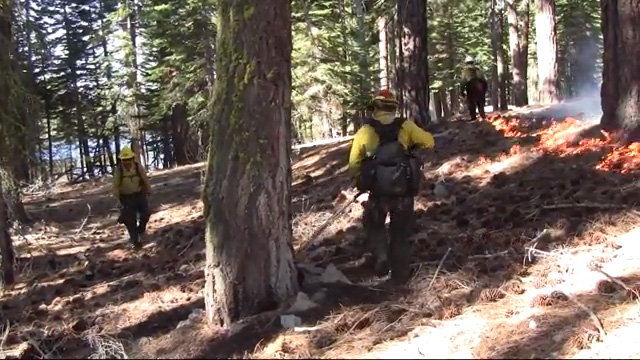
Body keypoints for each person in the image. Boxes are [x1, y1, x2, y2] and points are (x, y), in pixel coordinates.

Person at [348, 89, 435, 284]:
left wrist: (357, 181)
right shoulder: (406, 126)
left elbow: (354, 163)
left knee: (373, 224)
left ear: (375, 108)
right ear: (394, 107)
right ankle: (401, 278)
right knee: (401, 232)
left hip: (378, 193)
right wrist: (411, 147)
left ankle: (380, 255)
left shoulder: (365, 131)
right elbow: (429, 141)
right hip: (403, 192)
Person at [113, 146, 152, 249]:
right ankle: (135, 241)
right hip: (126, 198)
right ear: (121, 160)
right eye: (124, 160)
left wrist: (149, 190)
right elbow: (115, 186)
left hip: (139, 194)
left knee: (146, 213)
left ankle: (141, 230)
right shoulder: (119, 170)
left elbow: (145, 179)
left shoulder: (138, 167)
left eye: (129, 159)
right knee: (130, 221)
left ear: (132, 158)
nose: (127, 162)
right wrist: (117, 201)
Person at [460, 56, 488, 120]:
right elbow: (484, 80)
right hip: (480, 86)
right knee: (480, 102)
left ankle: (473, 118)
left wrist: (461, 91)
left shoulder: (465, 70)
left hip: (470, 86)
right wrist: (485, 89)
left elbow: (463, 81)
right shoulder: (478, 69)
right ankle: (483, 116)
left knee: (471, 103)